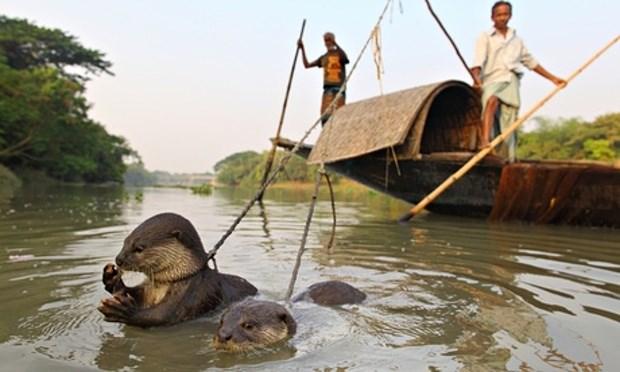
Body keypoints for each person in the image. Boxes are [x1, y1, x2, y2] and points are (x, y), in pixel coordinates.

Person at [471, 1, 566, 162]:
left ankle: (508, 157)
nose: (502, 18)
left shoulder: (517, 40)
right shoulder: (485, 37)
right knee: (491, 101)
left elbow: (531, 63)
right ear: (492, 17)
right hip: (492, 79)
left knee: (508, 120)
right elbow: (477, 63)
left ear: (510, 15)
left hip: (511, 80)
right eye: (499, 15)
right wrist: (476, 80)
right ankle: (485, 140)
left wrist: (553, 79)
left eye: (505, 14)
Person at [298, 32, 350, 125]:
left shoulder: (339, 53)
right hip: (327, 90)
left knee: (339, 115)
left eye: (329, 39)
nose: (328, 42)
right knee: (325, 117)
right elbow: (307, 65)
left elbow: (345, 59)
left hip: (339, 89)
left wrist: (336, 44)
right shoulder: (323, 57)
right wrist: (302, 49)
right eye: (326, 40)